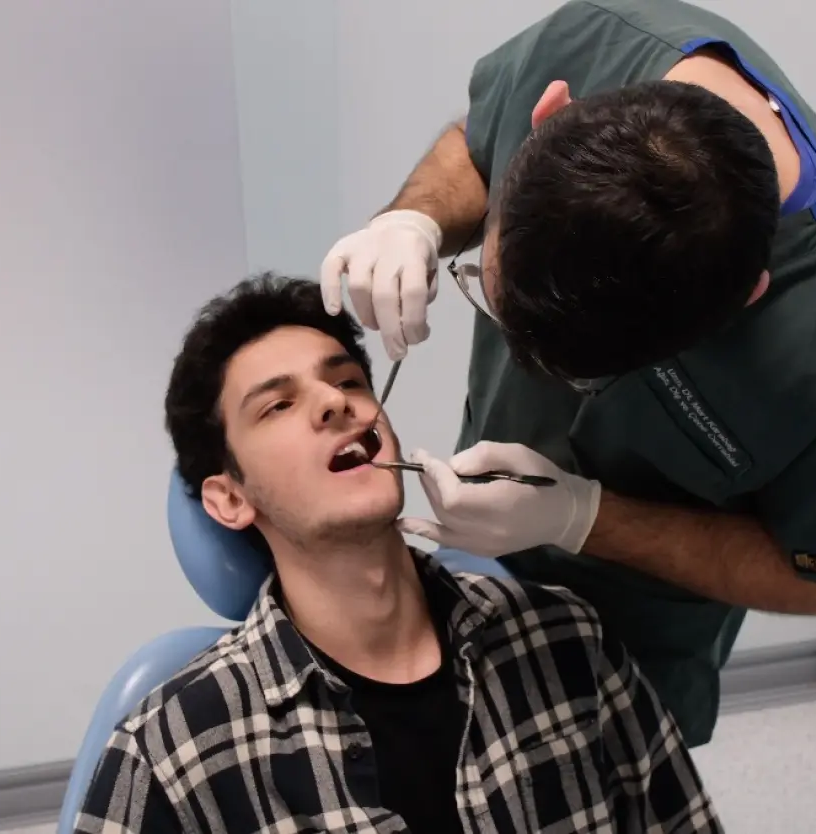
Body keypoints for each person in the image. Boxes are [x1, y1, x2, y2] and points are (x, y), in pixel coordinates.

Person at [320, 0, 816, 748]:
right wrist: (414, 219)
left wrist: (583, 518)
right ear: (549, 115)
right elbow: (478, 142)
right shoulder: (596, 38)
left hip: (632, 653)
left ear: (748, 297)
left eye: (582, 374)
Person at [73, 274, 723, 834]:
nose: (335, 402)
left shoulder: (567, 639)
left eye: (349, 381)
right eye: (278, 405)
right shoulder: (170, 751)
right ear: (230, 499)